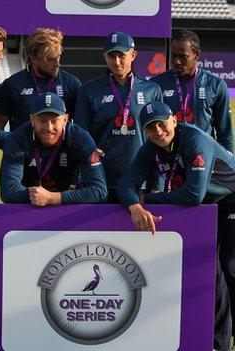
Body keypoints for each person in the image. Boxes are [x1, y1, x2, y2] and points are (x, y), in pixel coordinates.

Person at [117, 101, 235, 351]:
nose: (158, 131)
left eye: (162, 124)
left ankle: (222, 343)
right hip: (207, 207)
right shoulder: (151, 148)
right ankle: (212, 339)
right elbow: (126, 184)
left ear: (173, 119)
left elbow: (193, 195)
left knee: (227, 267)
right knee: (208, 269)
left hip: (230, 200)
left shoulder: (194, 139)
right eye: (151, 128)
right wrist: (134, 206)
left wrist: (146, 199)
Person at [75, 31, 162, 202]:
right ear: (104, 57)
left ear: (133, 55)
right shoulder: (89, 90)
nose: (116, 61)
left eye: (121, 55)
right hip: (100, 180)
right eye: (111, 55)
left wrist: (157, 184)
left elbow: (161, 140)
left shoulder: (152, 90)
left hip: (139, 179)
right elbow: (80, 135)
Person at [0, 92, 107, 205]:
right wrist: (40, 197)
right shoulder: (18, 139)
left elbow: (99, 191)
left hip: (68, 210)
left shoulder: (80, 139)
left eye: (54, 121)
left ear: (65, 120)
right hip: (29, 209)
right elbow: (9, 192)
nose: (48, 127)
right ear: (32, 119)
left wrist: (52, 198)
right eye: (42, 120)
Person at [151, 29, 232, 152]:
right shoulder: (156, 84)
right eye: (174, 56)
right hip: (166, 159)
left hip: (202, 158)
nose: (177, 61)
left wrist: (228, 168)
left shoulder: (215, 85)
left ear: (197, 55)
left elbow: (225, 133)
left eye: (183, 56)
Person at [0, 28, 81, 132]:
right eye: (50, 59)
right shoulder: (13, 85)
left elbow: (82, 127)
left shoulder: (72, 84)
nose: (57, 63)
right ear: (33, 58)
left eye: (58, 57)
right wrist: (15, 145)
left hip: (61, 148)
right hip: (24, 148)